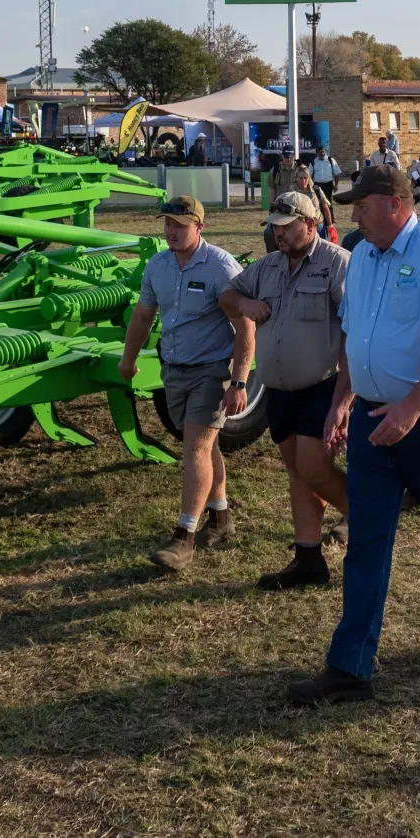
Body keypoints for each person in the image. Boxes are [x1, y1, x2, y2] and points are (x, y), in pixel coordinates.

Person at [287, 163, 420, 705]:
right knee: (367, 538)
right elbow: (356, 337)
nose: (352, 211)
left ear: (395, 203)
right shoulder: (361, 260)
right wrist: (341, 402)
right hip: (372, 420)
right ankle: (350, 667)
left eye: (361, 202)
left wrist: (411, 407)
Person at [221, 191, 352, 591]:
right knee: (298, 474)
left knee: (313, 468)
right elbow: (226, 295)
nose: (278, 235)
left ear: (310, 224)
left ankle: (369, 513)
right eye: (274, 227)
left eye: (286, 227)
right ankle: (308, 560)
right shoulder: (267, 268)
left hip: (321, 387)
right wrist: (245, 304)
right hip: (279, 391)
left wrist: (344, 399)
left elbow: (353, 331)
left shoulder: (335, 264)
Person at [118, 195, 255, 571]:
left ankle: (184, 536)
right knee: (203, 445)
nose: (171, 232)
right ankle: (221, 515)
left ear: (200, 226)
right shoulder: (157, 265)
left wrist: (239, 381)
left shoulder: (220, 268)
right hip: (173, 369)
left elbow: (245, 326)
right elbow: (144, 315)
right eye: (167, 224)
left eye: (179, 226)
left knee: (195, 447)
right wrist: (128, 361)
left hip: (211, 370)